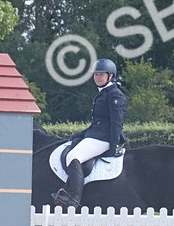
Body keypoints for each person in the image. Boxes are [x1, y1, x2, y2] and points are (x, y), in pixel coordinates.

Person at [52, 58, 127, 208]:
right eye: (95, 75)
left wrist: (113, 145)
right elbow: (97, 122)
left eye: (101, 75)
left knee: (73, 156)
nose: (97, 77)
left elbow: (116, 123)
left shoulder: (114, 94)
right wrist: (80, 135)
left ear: (110, 76)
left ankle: (74, 198)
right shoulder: (103, 93)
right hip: (96, 134)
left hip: (104, 138)